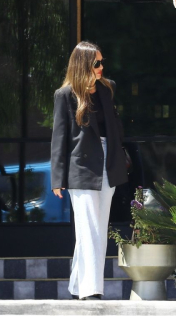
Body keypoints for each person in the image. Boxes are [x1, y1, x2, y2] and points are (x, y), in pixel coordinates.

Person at [50, 41, 128, 300]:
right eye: (97, 63)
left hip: (108, 162)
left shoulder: (108, 89)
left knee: (95, 228)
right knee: (90, 228)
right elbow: (59, 138)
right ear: (83, 64)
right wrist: (57, 178)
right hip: (81, 166)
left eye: (102, 62)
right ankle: (92, 290)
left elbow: (115, 128)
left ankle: (76, 287)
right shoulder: (65, 95)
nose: (101, 67)